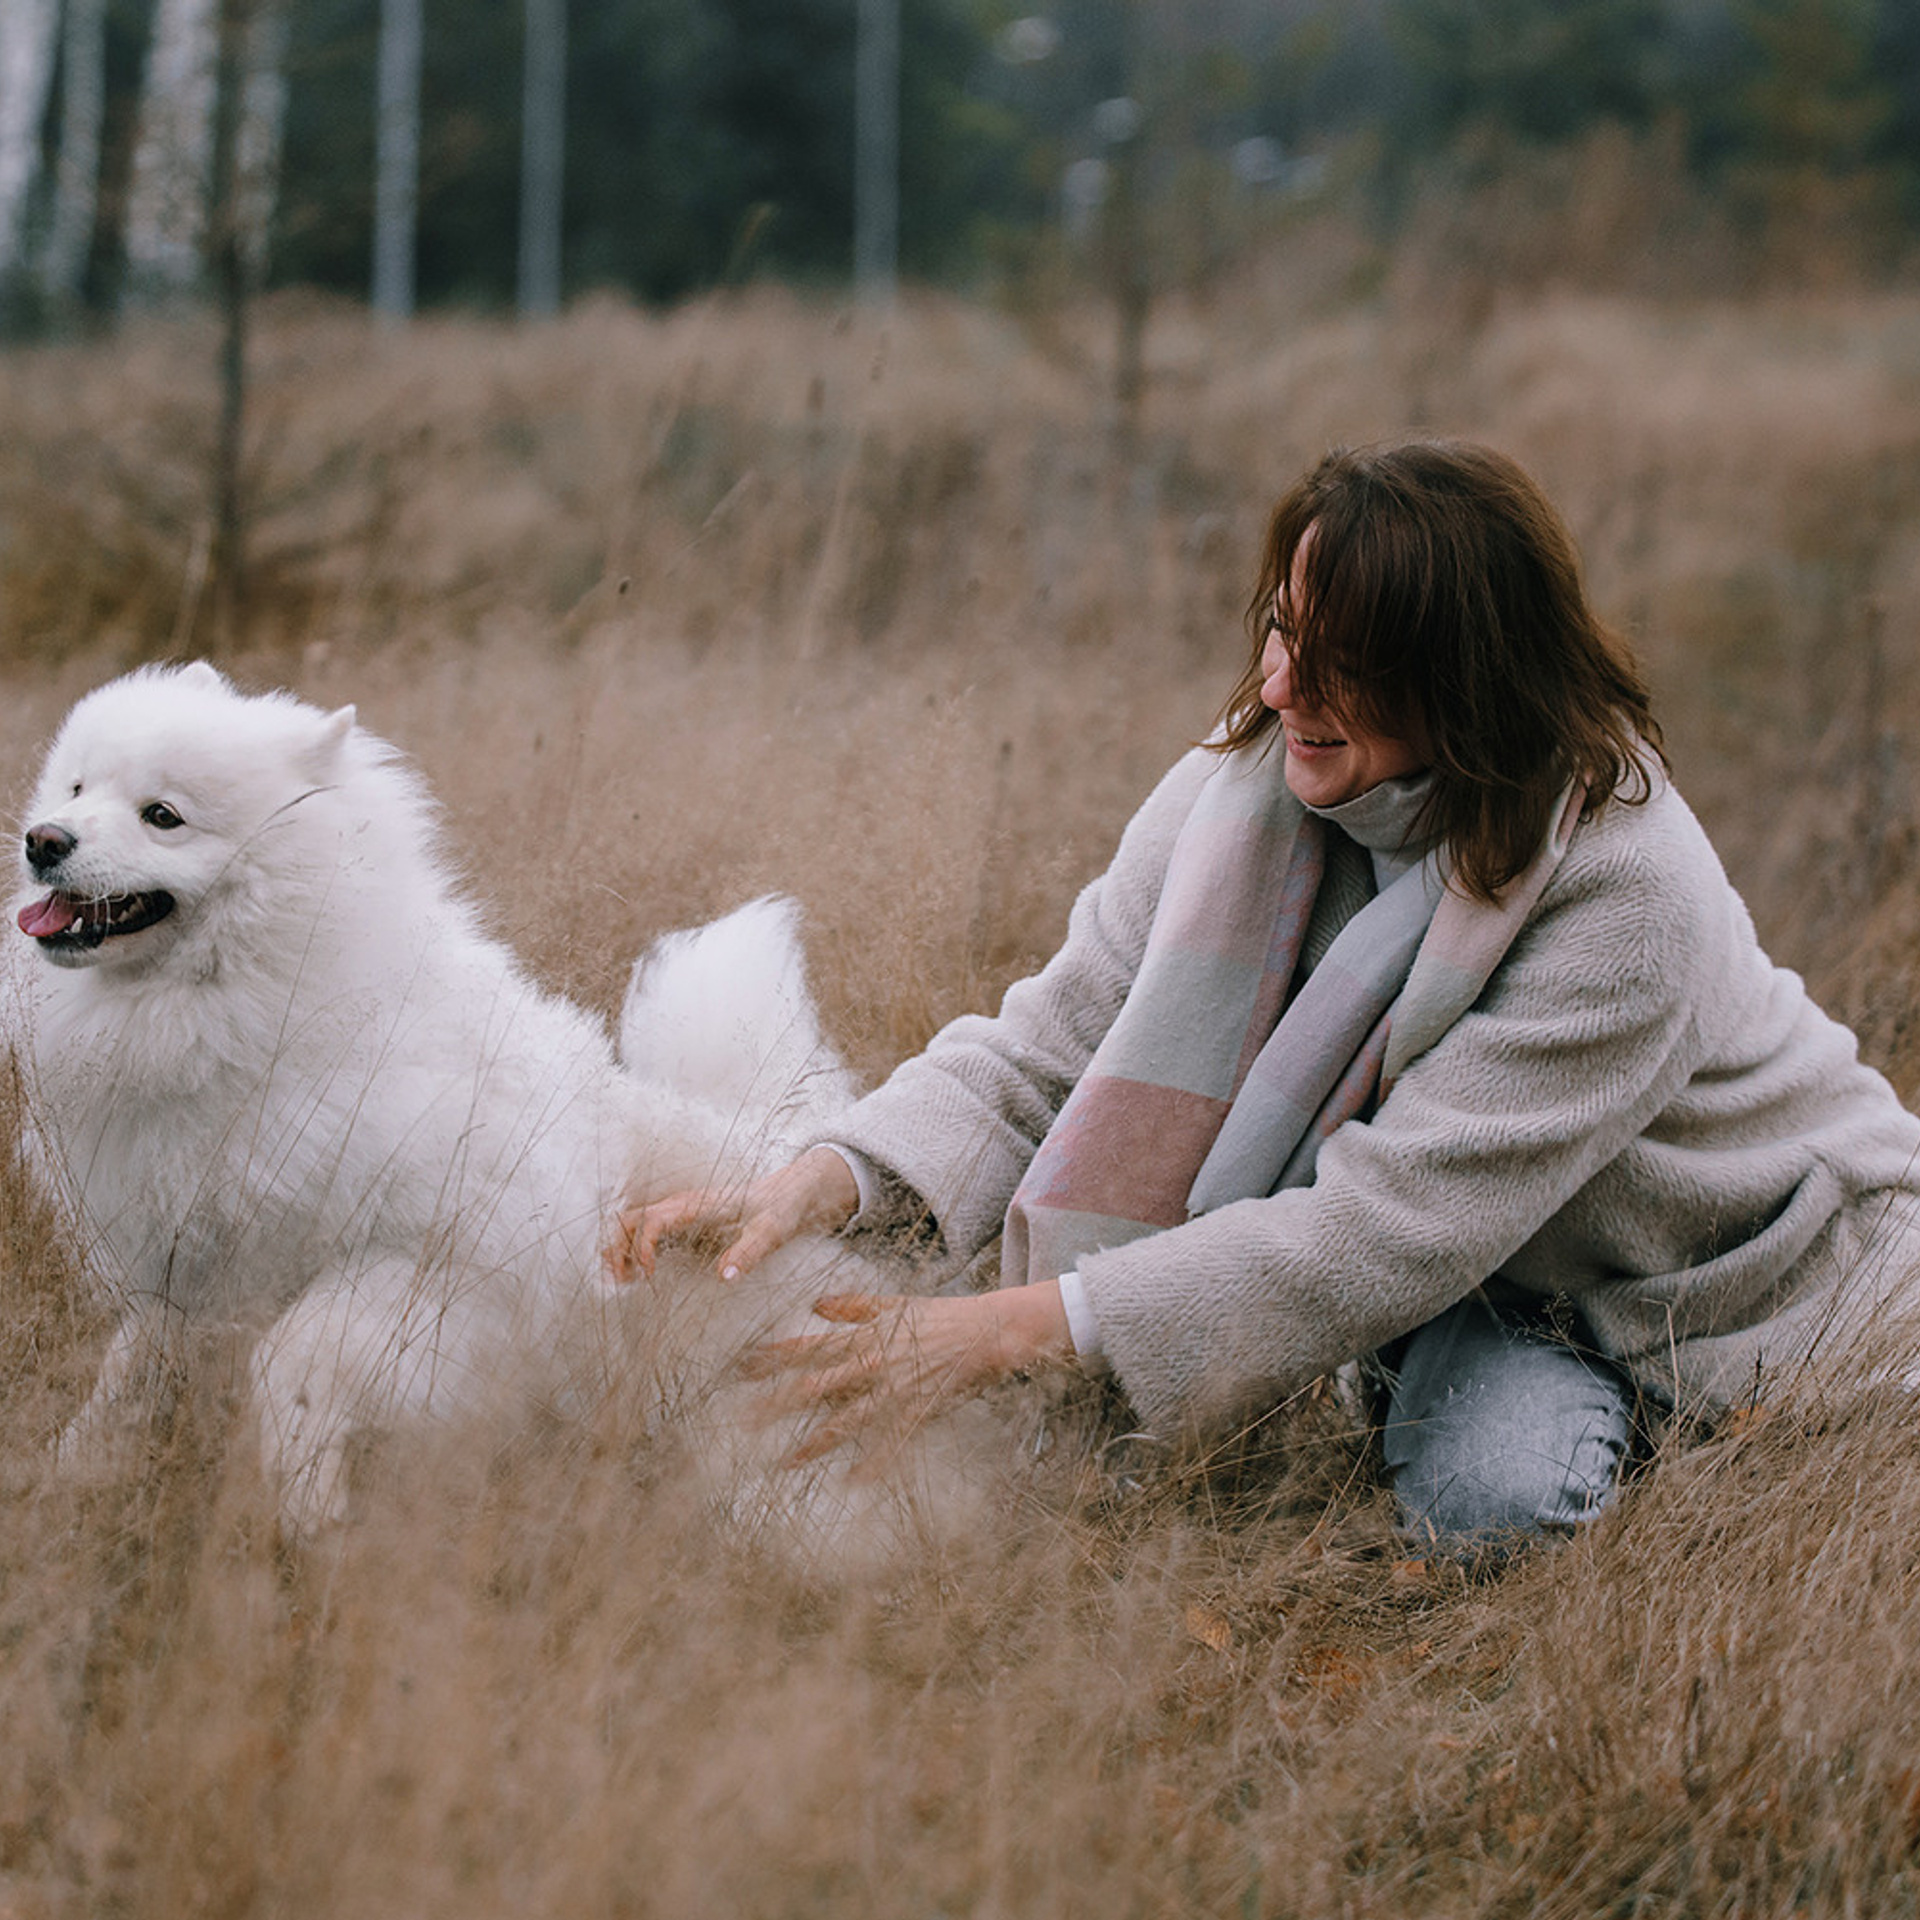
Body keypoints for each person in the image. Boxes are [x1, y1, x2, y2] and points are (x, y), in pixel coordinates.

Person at [606, 438, 1920, 1552]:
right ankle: (1475, 1389)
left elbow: (1382, 1227)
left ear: (1464, 681)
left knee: (1491, 1504)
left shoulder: (1625, 894)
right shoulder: (1245, 792)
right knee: (1473, 1481)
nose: (1282, 684)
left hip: (1741, 1285)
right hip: (1506, 1280)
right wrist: (817, 1178)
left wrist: (1005, 1332)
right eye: (1285, 630)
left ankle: (1709, 1463)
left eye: (1342, 660)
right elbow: (1048, 1046)